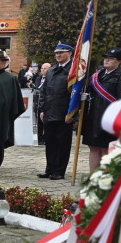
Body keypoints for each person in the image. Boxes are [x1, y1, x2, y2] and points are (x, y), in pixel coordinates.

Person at [83, 48, 121, 171]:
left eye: (111, 58)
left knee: (106, 150)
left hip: (109, 119)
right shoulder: (97, 75)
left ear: (119, 61)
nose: (106, 60)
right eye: (105, 57)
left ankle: (104, 179)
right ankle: (93, 178)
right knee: (94, 148)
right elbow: (90, 90)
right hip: (93, 117)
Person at [39, 42, 74, 180]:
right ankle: (50, 169)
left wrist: (73, 114)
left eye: (61, 52)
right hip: (49, 112)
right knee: (50, 142)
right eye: (56, 53)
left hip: (64, 114)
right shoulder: (52, 70)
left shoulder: (74, 71)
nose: (58, 55)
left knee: (62, 144)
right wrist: (42, 109)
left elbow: (76, 95)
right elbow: (44, 91)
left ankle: (59, 171)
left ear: (70, 53)